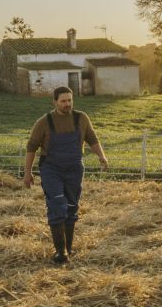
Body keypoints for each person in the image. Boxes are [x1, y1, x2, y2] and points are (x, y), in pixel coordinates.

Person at [24, 86, 108, 264]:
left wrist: (101, 156)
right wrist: (27, 173)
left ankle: (68, 249)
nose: (67, 104)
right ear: (54, 102)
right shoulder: (44, 122)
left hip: (74, 168)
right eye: (63, 101)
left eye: (69, 100)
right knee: (57, 205)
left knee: (71, 207)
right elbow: (31, 147)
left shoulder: (81, 118)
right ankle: (60, 252)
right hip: (51, 169)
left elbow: (92, 138)